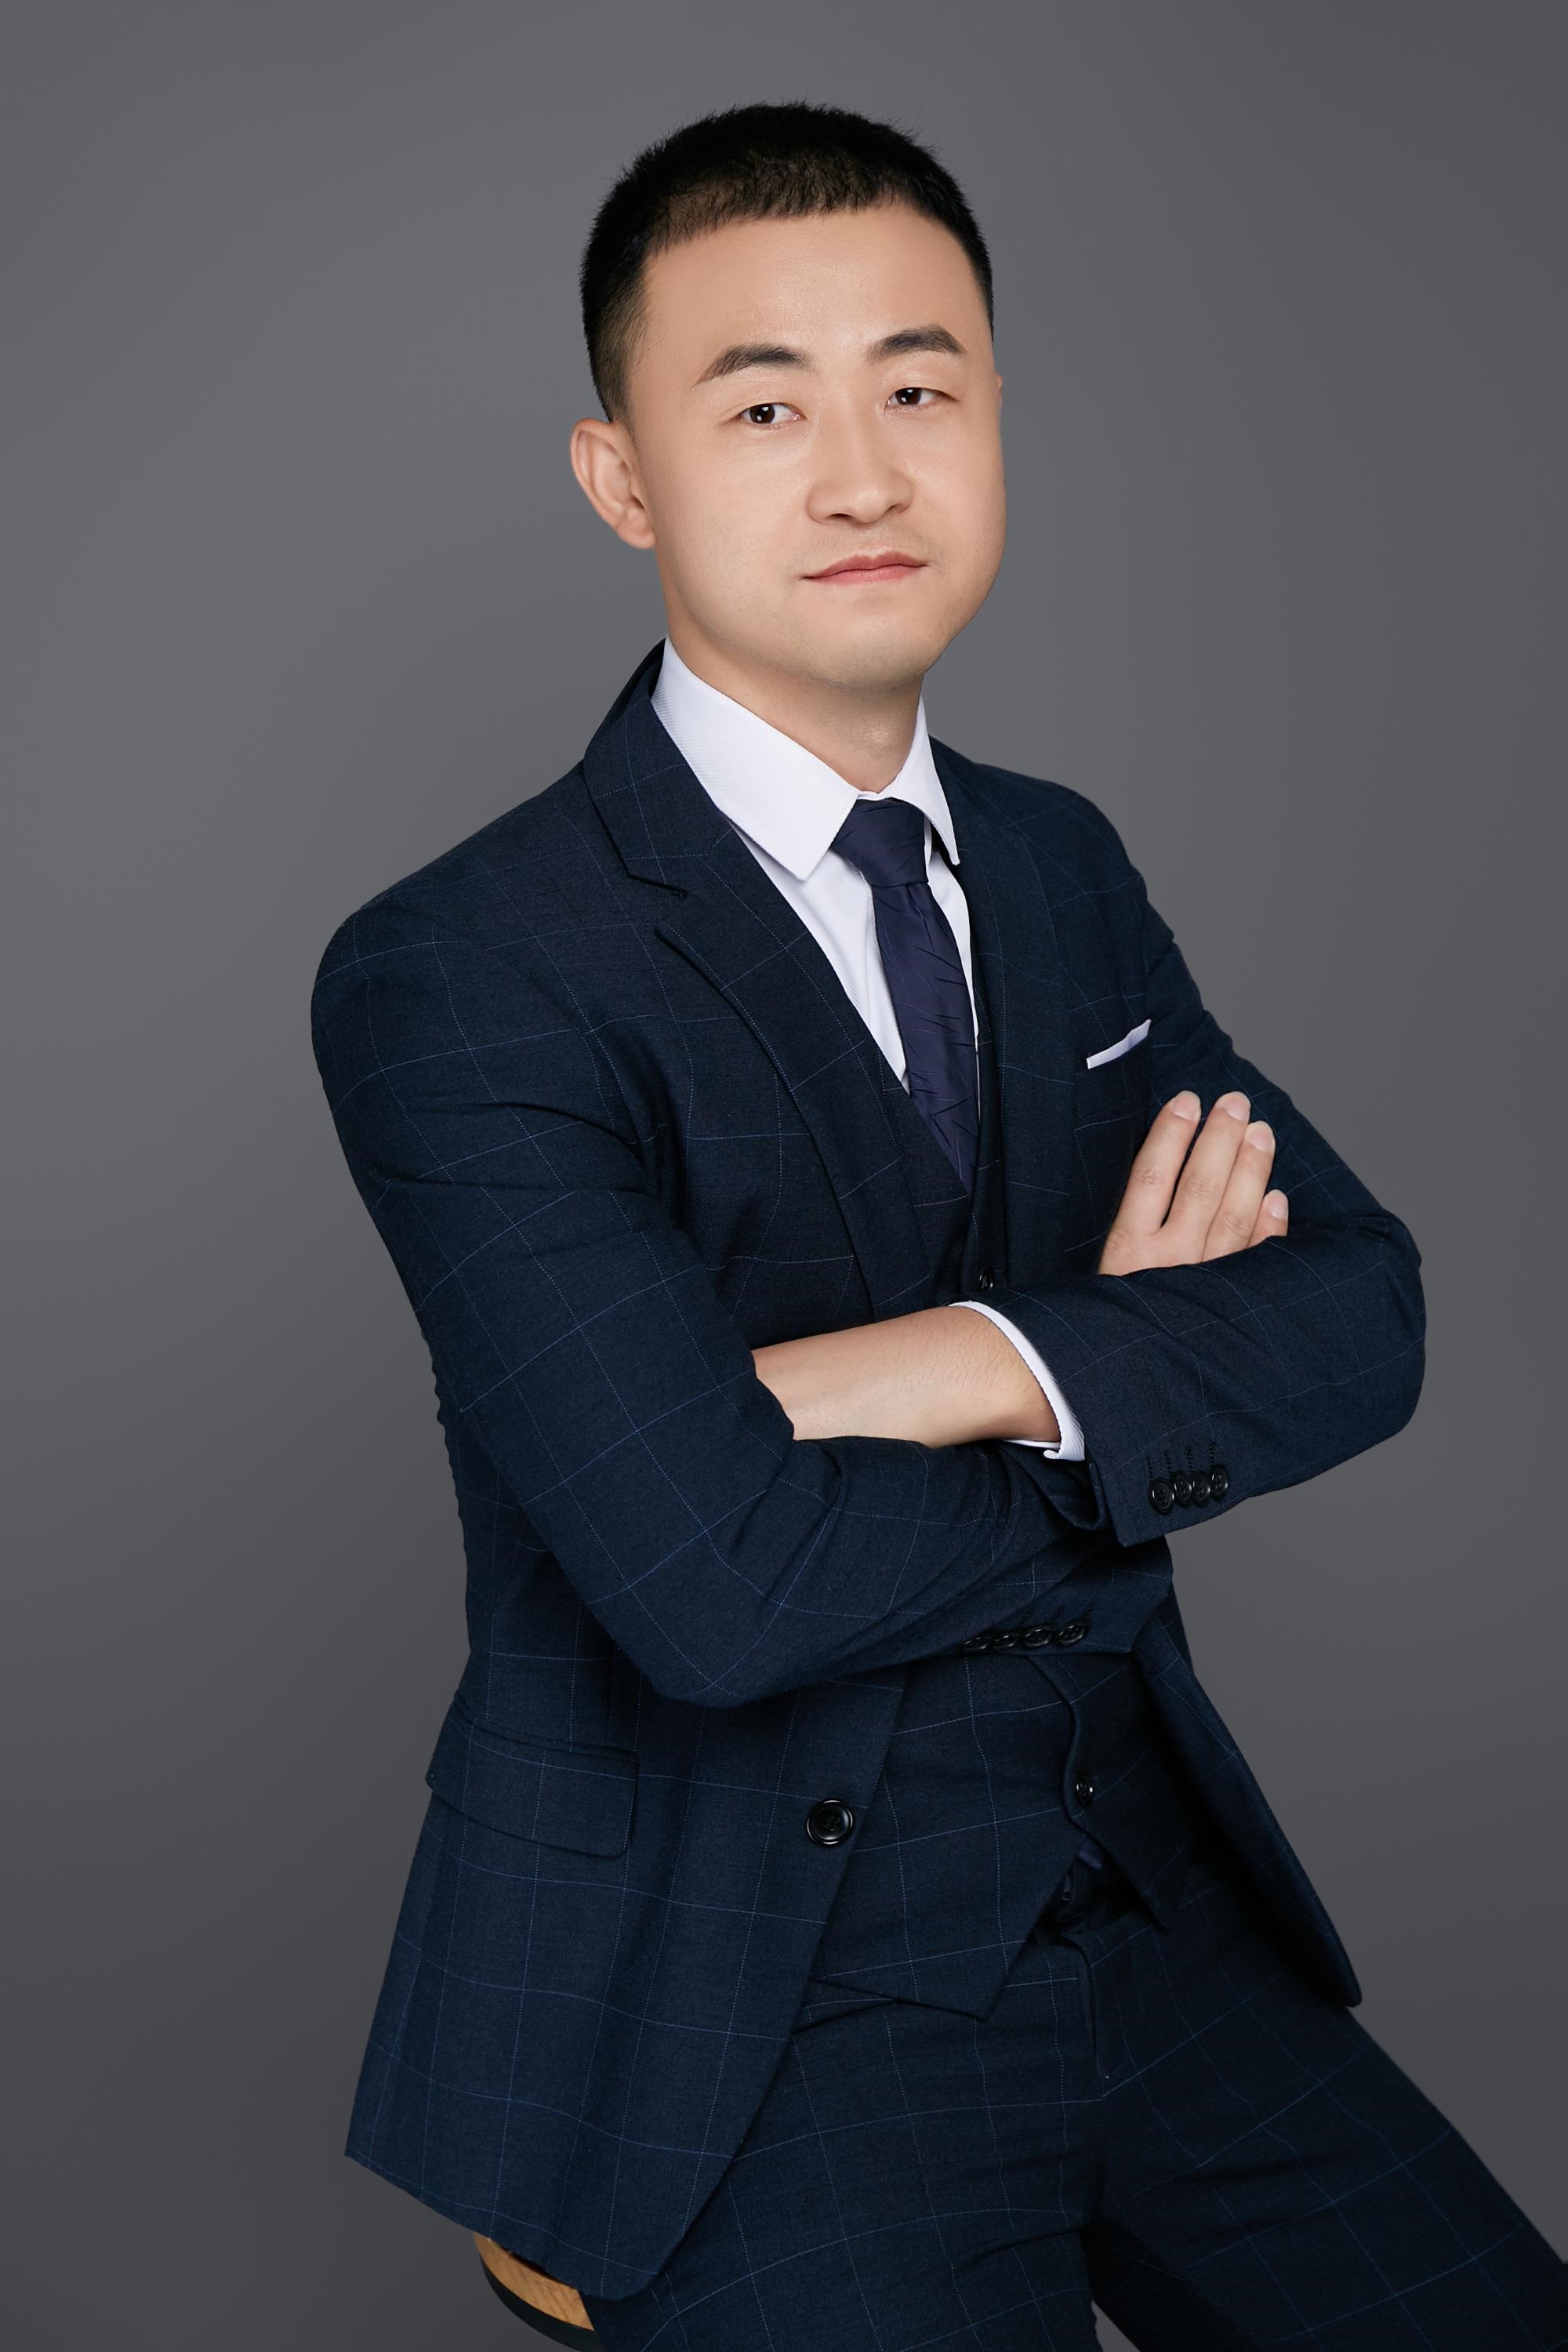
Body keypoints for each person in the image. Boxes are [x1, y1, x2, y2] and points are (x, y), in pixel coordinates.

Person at [310, 101, 1563, 2350]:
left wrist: (965, 1363)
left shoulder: (1059, 858)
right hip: (740, 2002)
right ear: (620, 477)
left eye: (920, 387)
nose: (864, 473)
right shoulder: (460, 968)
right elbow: (712, 1583)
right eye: (764, 406)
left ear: (996, 421)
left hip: (1145, 1903)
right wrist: (1127, 1385)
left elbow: (1362, 1312)